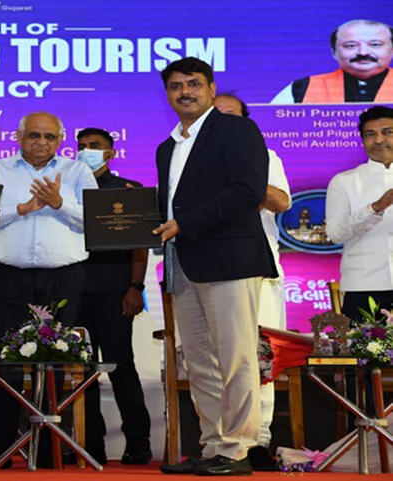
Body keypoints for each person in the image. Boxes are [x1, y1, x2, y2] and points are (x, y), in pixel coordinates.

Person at [153, 57, 277, 476]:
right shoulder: (167, 147)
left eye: (193, 84)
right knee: (199, 362)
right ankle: (213, 446)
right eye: (176, 86)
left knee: (236, 357)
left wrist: (185, 223)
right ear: (167, 94)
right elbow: (169, 205)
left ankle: (238, 449)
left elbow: (248, 190)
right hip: (184, 264)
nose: (184, 92)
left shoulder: (235, 130)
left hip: (230, 260)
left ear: (210, 89)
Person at [0, 112, 98, 469]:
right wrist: (21, 209)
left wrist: (60, 204)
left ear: (60, 139)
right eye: (33, 135)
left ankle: (47, 451)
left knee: (53, 364)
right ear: (18, 137)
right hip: (5, 278)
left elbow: (96, 220)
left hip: (62, 280)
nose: (41, 142)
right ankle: (1, 448)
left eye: (49, 136)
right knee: (4, 364)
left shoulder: (78, 172)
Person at [213, 94, 292, 471]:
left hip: (257, 269)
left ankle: (258, 440)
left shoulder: (265, 156)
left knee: (259, 358)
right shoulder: (188, 158)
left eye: (231, 116)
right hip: (209, 271)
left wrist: (243, 180)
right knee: (215, 361)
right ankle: (219, 441)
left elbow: (281, 202)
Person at [74, 127, 152, 465]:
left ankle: (138, 443)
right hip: (74, 291)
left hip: (115, 290)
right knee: (82, 370)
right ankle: (91, 445)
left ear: (110, 153)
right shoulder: (66, 188)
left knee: (121, 367)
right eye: (81, 146)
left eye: (94, 146)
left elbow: (140, 245)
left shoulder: (128, 191)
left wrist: (136, 287)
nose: (86, 150)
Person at [326, 106, 393, 320]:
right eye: (370, 134)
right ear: (362, 140)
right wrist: (376, 208)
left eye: (388, 132)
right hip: (364, 286)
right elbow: (335, 234)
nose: (379, 140)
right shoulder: (344, 181)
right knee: (364, 343)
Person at [272, 19, 393, 104]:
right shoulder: (301, 88)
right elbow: (272, 127)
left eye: (375, 44)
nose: (363, 52)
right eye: (351, 45)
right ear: (334, 52)